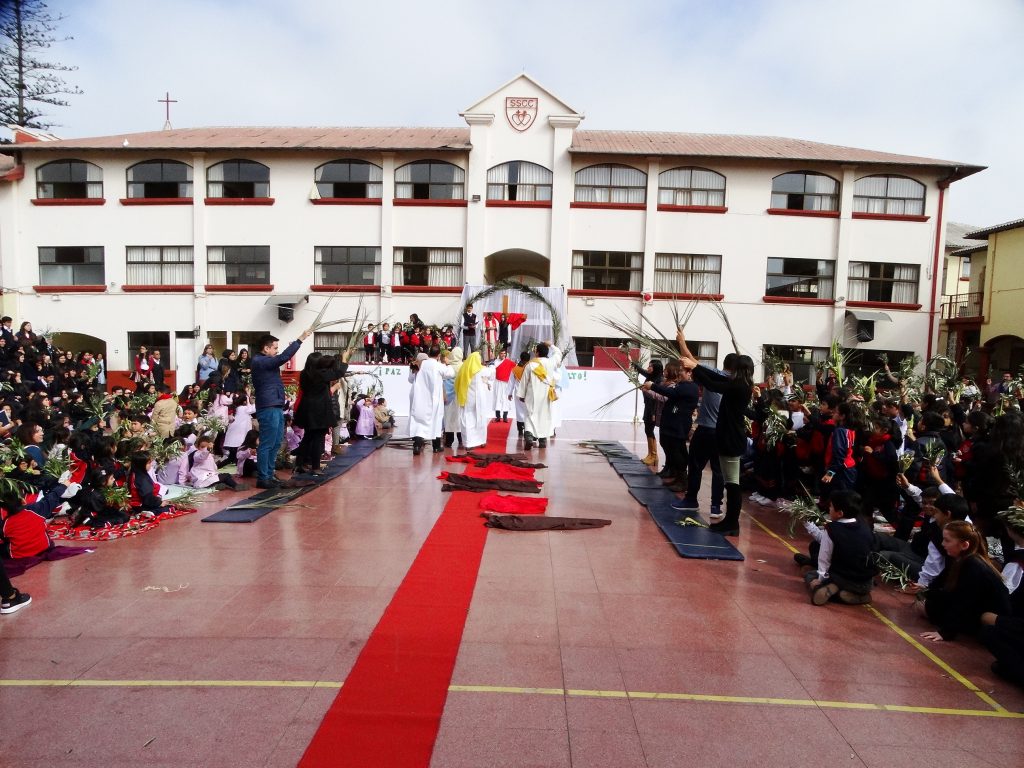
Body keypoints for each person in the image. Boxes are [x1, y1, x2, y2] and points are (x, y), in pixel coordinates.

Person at [677, 327, 753, 536]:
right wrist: (694, 365)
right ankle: (728, 520)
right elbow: (711, 379)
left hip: (731, 438)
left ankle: (731, 523)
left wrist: (693, 365)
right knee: (730, 481)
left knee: (733, 484)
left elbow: (711, 382)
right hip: (729, 437)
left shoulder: (738, 386)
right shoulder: (742, 384)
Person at [920, 520, 1010, 642]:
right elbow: (939, 584)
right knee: (925, 602)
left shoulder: (973, 565)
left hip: (985, 617)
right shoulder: (959, 559)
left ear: (964, 545)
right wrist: (923, 589)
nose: (942, 544)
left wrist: (946, 633)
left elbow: (965, 601)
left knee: (924, 606)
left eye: (947, 540)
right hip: (973, 610)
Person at [252, 329, 312, 488]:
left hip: (276, 405)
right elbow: (283, 358)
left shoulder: (266, 362)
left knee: (276, 441)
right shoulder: (259, 361)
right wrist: (300, 339)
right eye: (275, 348)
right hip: (268, 406)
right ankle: (263, 477)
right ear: (266, 348)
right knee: (267, 442)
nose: (276, 351)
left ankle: (270, 474)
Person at [799, 490, 877, 606]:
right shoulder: (864, 525)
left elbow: (824, 558)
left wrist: (820, 580)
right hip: (866, 582)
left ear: (840, 513)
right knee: (815, 548)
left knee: (810, 575)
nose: (829, 510)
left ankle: (831, 589)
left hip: (843, 578)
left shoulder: (832, 529)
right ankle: (860, 595)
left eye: (830, 507)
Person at [293, 350, 348, 474]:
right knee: (318, 438)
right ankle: (315, 467)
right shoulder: (321, 374)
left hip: (306, 409)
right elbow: (339, 372)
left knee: (307, 437)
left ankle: (300, 463)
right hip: (319, 410)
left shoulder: (304, 374)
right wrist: (344, 358)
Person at [407, 347, 454, 455]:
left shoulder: (420, 364)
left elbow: (410, 378)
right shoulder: (438, 365)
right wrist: (448, 363)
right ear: (438, 355)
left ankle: (417, 446)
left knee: (419, 422)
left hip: (420, 398)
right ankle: (436, 446)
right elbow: (451, 374)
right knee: (436, 421)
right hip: (434, 399)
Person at [517, 342, 560, 450]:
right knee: (543, 417)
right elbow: (558, 354)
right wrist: (551, 345)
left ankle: (529, 437)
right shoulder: (551, 362)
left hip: (532, 396)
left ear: (537, 353)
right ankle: (542, 441)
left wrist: (521, 395)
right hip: (546, 396)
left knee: (529, 415)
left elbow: (524, 381)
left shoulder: (531, 365)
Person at [456, 351, 495, 450]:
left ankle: (468, 442)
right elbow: (492, 373)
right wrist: (491, 366)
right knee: (480, 417)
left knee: (467, 417)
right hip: (479, 398)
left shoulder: (464, 369)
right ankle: (481, 441)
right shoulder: (481, 370)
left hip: (467, 397)